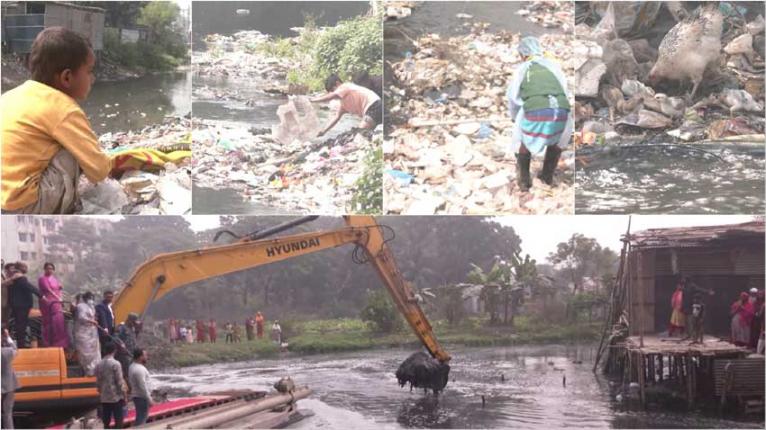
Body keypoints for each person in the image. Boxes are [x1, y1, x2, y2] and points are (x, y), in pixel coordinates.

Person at [1, 27, 114, 214]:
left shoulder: (10, 96)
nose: (92, 79)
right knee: (72, 150)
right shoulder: (63, 108)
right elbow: (100, 170)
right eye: (89, 71)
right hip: (23, 207)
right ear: (67, 77)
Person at [506, 36, 572, 192]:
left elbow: (513, 97)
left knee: (522, 139)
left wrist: (515, 117)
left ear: (523, 55)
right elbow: (564, 91)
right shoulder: (554, 66)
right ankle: (547, 177)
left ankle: (524, 181)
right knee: (557, 142)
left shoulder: (523, 69)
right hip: (562, 109)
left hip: (537, 109)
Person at [310, 74, 382, 136]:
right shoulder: (343, 104)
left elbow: (332, 96)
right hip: (373, 109)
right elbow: (336, 117)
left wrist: (314, 100)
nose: (333, 93)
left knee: (360, 135)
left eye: (333, 90)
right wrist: (324, 131)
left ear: (337, 83)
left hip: (373, 106)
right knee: (370, 134)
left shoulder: (345, 86)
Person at [38, 262, 70, 348]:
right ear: (44, 269)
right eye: (48, 268)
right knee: (50, 321)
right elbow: (48, 290)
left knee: (59, 321)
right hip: (48, 301)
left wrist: (61, 298)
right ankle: (49, 342)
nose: (50, 270)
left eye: (51, 269)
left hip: (57, 301)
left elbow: (59, 288)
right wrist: (57, 298)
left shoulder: (55, 279)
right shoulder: (42, 279)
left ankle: (61, 343)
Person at [95, 342, 127, 429]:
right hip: (116, 397)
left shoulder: (98, 364)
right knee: (118, 421)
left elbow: (98, 382)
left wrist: (101, 393)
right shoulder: (116, 364)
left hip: (104, 398)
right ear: (114, 351)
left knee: (106, 422)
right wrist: (124, 395)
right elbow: (120, 382)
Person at [8, 263, 40, 347]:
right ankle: (21, 346)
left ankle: (20, 345)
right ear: (20, 268)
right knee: (21, 327)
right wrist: (41, 295)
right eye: (24, 267)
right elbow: (30, 287)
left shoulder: (15, 277)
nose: (26, 268)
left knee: (20, 326)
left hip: (17, 305)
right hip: (22, 306)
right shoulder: (20, 277)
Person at [74, 292, 101, 376]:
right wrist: (92, 321)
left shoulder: (92, 307)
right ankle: (87, 370)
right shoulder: (80, 306)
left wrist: (94, 320)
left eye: (92, 298)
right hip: (83, 332)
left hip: (92, 332)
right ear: (85, 298)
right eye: (89, 298)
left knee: (94, 351)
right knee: (85, 351)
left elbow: (93, 316)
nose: (91, 300)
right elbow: (81, 317)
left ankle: (95, 370)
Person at [128, 348, 153, 426]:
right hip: (142, 397)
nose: (146, 357)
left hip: (138, 396)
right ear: (140, 357)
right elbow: (142, 387)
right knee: (142, 419)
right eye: (145, 355)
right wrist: (149, 399)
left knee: (141, 417)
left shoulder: (132, 366)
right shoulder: (139, 369)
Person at [2, 329, 19, 429]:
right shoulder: (6, 352)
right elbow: (15, 350)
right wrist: (8, 337)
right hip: (9, 386)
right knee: (8, 413)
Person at [116, 314, 139, 379]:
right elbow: (115, 337)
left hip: (131, 354)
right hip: (124, 355)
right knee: (126, 373)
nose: (134, 324)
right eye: (133, 322)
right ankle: (129, 388)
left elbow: (133, 340)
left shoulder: (132, 328)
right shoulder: (121, 328)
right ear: (129, 320)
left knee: (132, 372)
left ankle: (131, 387)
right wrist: (121, 343)